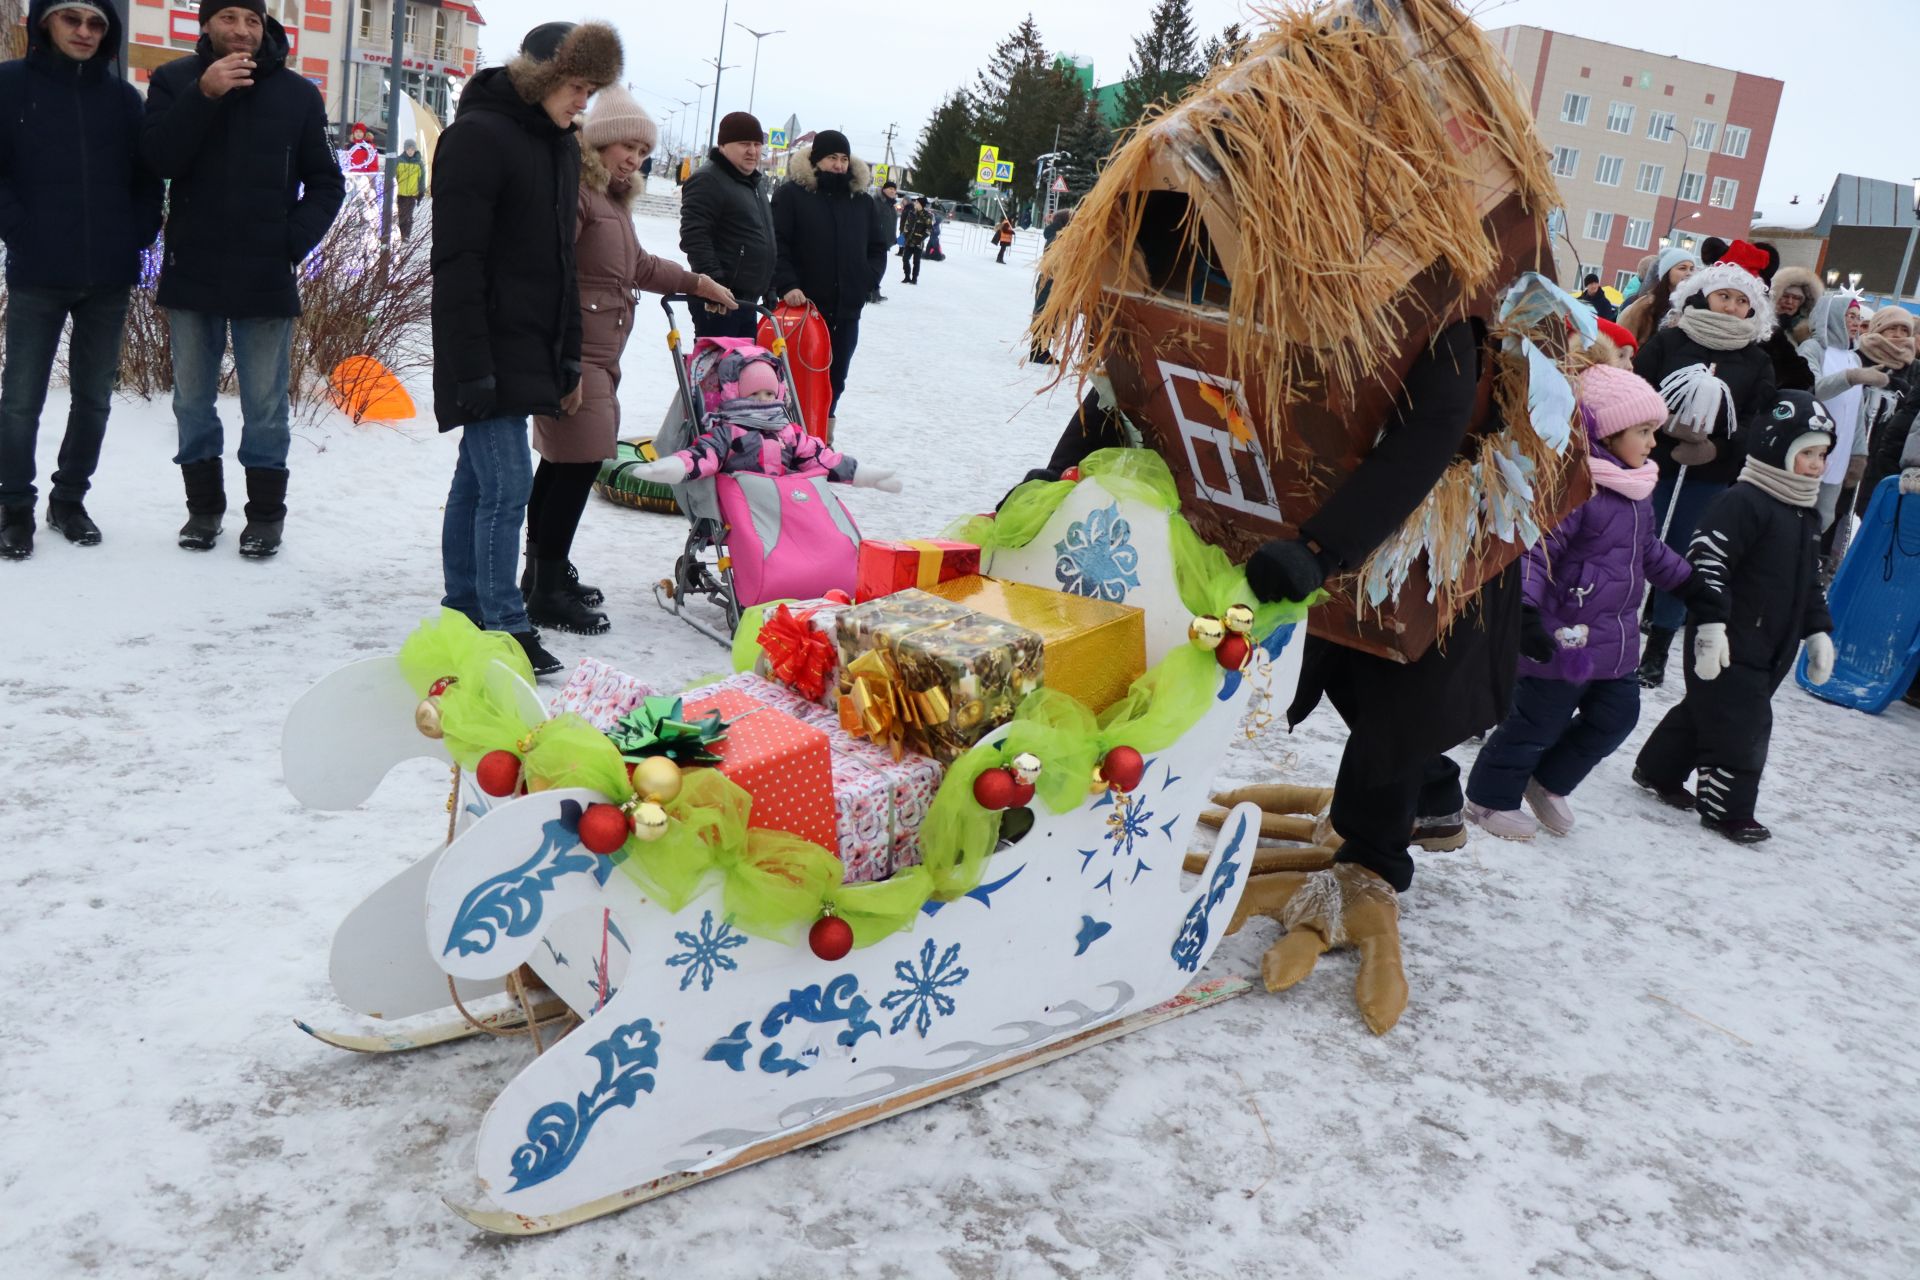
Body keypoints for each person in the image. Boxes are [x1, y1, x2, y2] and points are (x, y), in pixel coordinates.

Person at [431, 20, 622, 678]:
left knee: (475, 483)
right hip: (482, 346)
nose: (584, 102)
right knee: (508, 486)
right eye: (576, 85)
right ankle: (504, 627)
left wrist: (569, 355)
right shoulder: (476, 139)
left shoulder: (561, 147)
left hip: (532, 347)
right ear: (539, 76)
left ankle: (461, 609)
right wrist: (471, 366)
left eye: (592, 90)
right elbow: (457, 263)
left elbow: (562, 268)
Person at [523, 86, 736, 636]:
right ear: (601, 141)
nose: (636, 160)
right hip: (576, 353)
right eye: (628, 147)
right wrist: (561, 357)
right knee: (579, 461)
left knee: (564, 464)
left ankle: (542, 573)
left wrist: (695, 282)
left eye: (644, 152)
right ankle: (544, 589)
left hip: (600, 353)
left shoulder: (612, 201)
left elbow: (637, 264)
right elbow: (548, 272)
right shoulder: (577, 192)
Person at [141, 0, 345, 557]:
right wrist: (203, 94)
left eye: (253, 20)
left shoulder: (298, 95)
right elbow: (157, 158)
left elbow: (327, 183)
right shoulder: (174, 80)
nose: (242, 30)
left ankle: (265, 518)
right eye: (229, 17)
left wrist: (289, 243)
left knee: (265, 404)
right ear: (206, 25)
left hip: (264, 275)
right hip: (194, 269)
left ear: (264, 29)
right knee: (191, 402)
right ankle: (203, 512)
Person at [1464, 365, 1693, 839]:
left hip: (1616, 638)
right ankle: (1488, 798)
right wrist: (1526, 611)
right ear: (1606, 435)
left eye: (1654, 432)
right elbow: (1538, 551)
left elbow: (1647, 550)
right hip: (1563, 636)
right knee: (1535, 723)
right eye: (1643, 432)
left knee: (1617, 716)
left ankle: (1548, 781)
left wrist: (1689, 584)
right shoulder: (1574, 488)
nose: (1653, 443)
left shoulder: (1636, 491)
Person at [0, 0, 165, 560]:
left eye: (97, 23)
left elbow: (148, 179)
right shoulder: (9, 85)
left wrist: (138, 233)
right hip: (37, 272)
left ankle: (69, 500)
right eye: (72, 18)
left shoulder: (122, 99)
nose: (85, 32)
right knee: (20, 401)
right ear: (45, 21)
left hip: (107, 276)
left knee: (94, 399)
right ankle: (13, 508)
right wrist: (20, 229)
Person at [1634, 390, 1837, 843]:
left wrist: (1818, 631)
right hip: (1728, 637)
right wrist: (1709, 627)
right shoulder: (1743, 501)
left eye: (1822, 454)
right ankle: (1727, 808)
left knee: (1709, 709)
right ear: (1775, 449)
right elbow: (1708, 563)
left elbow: (1809, 584)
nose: (1817, 464)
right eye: (1806, 453)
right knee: (1744, 723)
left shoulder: (1805, 514)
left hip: (1773, 645)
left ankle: (1657, 769)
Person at [1632, 250, 1777, 687]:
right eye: (1724, 296)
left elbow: (1759, 419)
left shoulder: (1757, 360)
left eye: (1741, 300)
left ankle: (1658, 646)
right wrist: (1659, 424)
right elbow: (1636, 388)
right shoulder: (1670, 340)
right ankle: (1616, 628)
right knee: (1633, 546)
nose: (1732, 306)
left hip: (1708, 478)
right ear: (1704, 297)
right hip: (1651, 464)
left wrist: (1717, 449)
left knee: (1681, 558)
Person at [626, 350, 899, 490]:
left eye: (769, 392)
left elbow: (823, 459)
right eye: (754, 393)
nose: (763, 399)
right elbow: (702, 456)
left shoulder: (787, 432)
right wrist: (671, 467)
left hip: (784, 503)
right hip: (743, 504)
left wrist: (865, 476)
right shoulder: (729, 432)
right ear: (738, 393)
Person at [770, 129, 888, 424]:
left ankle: (822, 436)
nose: (838, 165)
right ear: (815, 160)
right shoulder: (792, 195)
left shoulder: (861, 201)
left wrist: (867, 280)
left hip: (846, 309)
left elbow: (877, 247)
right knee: (794, 377)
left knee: (836, 378)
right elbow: (777, 244)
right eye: (831, 158)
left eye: (844, 159)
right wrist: (787, 284)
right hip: (803, 310)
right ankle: (785, 435)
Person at [679, 111, 776, 340]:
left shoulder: (753, 182)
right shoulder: (708, 179)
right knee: (719, 373)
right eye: (744, 144)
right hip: (719, 303)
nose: (752, 151)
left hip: (747, 301)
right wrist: (715, 285)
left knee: (743, 373)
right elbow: (695, 236)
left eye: (757, 144)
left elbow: (764, 237)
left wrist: (770, 286)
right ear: (723, 145)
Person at [1615, 246, 1697, 347]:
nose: (1689, 273)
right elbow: (1622, 341)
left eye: (1692, 269)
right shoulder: (1645, 306)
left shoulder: (1695, 306)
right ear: (1667, 273)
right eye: (1682, 268)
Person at [1762, 266, 1820, 392]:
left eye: (1796, 298)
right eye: (1785, 296)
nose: (1789, 302)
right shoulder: (1762, 328)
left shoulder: (1807, 334)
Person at [870, 177, 899, 303]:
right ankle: (872, 292)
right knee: (877, 268)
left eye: (894, 189)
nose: (893, 191)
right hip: (875, 241)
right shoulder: (876, 202)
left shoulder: (890, 205)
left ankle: (873, 292)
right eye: (890, 188)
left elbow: (890, 224)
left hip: (884, 242)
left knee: (879, 268)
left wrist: (893, 239)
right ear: (884, 190)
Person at [394, 137, 427, 241]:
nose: (410, 151)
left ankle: (406, 235)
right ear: (405, 149)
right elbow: (395, 176)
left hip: (412, 194)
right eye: (408, 149)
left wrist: (421, 191)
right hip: (400, 193)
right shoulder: (399, 161)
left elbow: (422, 179)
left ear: (415, 150)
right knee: (400, 214)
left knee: (408, 215)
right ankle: (399, 233)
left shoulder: (419, 163)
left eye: (412, 149)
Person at [899, 195, 932, 285]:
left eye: (917, 202)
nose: (915, 203)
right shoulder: (911, 213)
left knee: (916, 261)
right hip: (909, 241)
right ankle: (907, 277)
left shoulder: (927, 215)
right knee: (905, 259)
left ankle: (914, 279)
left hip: (918, 243)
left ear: (921, 204)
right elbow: (907, 225)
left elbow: (929, 230)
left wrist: (920, 239)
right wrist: (904, 236)